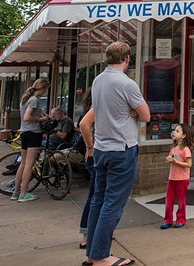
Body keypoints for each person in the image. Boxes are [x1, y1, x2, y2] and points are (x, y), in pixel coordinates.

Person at [83, 42, 151, 266]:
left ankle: (93, 253)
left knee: (98, 201)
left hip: (101, 149)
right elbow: (146, 115)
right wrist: (133, 111)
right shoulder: (127, 84)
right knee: (113, 203)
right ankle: (102, 256)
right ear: (127, 58)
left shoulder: (98, 80)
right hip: (122, 149)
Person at [13, 78, 50, 202]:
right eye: (45, 89)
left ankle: (16, 191)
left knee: (23, 163)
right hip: (33, 132)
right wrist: (41, 119)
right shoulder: (34, 100)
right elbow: (27, 117)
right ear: (42, 88)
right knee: (29, 164)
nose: (45, 92)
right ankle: (24, 193)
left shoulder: (25, 99)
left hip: (24, 131)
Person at [161, 124, 194, 229]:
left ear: (184, 135)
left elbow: (189, 164)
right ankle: (168, 220)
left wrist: (176, 162)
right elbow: (172, 158)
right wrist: (169, 158)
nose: (174, 132)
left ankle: (180, 219)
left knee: (181, 200)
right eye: (174, 130)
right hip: (172, 178)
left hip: (182, 179)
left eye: (177, 131)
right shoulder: (173, 148)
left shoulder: (186, 150)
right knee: (169, 201)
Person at [79, 92, 96, 253]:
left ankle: (88, 234)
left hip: (93, 156)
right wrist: (90, 147)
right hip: (99, 155)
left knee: (96, 196)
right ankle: (89, 235)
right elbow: (84, 125)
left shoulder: (91, 107)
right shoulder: (98, 107)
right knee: (98, 197)